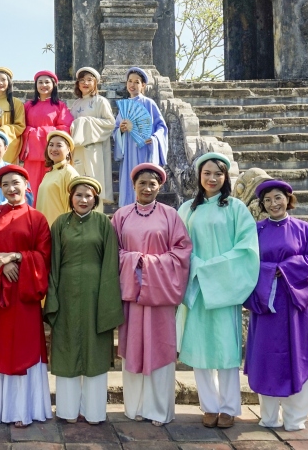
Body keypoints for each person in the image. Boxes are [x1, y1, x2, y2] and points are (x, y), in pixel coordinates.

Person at [177, 152, 260, 429]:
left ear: (226, 177)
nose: (212, 178)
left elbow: (247, 249)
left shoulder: (236, 208)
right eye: (207, 173)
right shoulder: (187, 209)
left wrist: (209, 268)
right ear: (199, 176)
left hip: (225, 287)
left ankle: (228, 407)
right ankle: (209, 406)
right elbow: (178, 246)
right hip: (197, 288)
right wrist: (196, 268)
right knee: (200, 349)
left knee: (225, 349)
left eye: (218, 174)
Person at [111, 163, 192, 426]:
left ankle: (159, 409)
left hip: (160, 294)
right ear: (133, 186)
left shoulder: (170, 215)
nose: (147, 188)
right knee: (133, 347)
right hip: (132, 294)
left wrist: (148, 264)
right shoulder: (121, 216)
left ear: (160, 186)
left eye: (152, 184)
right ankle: (135, 407)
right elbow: (112, 252)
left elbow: (182, 252)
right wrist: (133, 261)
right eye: (142, 183)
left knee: (160, 347)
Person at [245, 179, 308, 433]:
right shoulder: (255, 231)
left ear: (288, 199)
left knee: (298, 355)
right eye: (267, 200)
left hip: (294, 304)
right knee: (266, 357)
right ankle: (269, 416)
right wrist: (270, 271)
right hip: (265, 304)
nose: (273, 204)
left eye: (278, 198)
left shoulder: (304, 230)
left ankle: (295, 417)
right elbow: (245, 263)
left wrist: (285, 268)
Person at [0, 164, 52, 427]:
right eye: (5, 184)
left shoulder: (37, 218)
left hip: (24, 293)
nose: (11, 188)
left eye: (15, 183)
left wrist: (17, 257)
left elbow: (43, 255)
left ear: (26, 185)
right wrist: (1, 265)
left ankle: (23, 410)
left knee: (24, 347)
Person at [44, 175, 122, 425]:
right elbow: (53, 263)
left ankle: (94, 412)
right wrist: (52, 297)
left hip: (96, 293)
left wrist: (107, 300)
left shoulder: (103, 223)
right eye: (78, 195)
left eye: (88, 196)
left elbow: (111, 262)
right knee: (66, 347)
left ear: (95, 199)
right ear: (71, 198)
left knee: (94, 349)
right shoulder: (60, 224)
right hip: (65, 293)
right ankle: (67, 410)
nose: (83, 200)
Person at [114, 67, 168, 207]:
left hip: (144, 148)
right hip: (129, 151)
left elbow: (162, 127)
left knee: (144, 178)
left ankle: (145, 207)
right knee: (129, 180)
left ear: (143, 85)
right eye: (130, 81)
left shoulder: (149, 103)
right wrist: (120, 131)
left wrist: (154, 138)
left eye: (136, 82)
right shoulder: (124, 107)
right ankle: (128, 210)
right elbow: (116, 130)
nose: (132, 85)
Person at [21, 70, 74, 195]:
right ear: (36, 85)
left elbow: (64, 128)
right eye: (40, 82)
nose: (43, 85)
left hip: (51, 153)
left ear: (53, 85)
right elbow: (21, 127)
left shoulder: (60, 106)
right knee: (31, 188)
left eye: (47, 82)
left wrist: (36, 132)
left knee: (50, 189)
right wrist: (32, 132)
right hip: (32, 155)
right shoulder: (28, 106)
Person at [69, 67, 116, 204]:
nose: (85, 83)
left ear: (95, 83)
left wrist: (86, 123)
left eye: (89, 80)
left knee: (94, 180)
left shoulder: (100, 101)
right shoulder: (76, 103)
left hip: (95, 148)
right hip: (78, 148)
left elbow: (110, 123)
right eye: (82, 80)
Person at [34, 130, 79, 227]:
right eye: (51, 145)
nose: (54, 149)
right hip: (44, 230)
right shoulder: (48, 174)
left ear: (68, 150)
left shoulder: (69, 173)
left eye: (59, 145)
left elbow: (74, 208)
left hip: (59, 230)